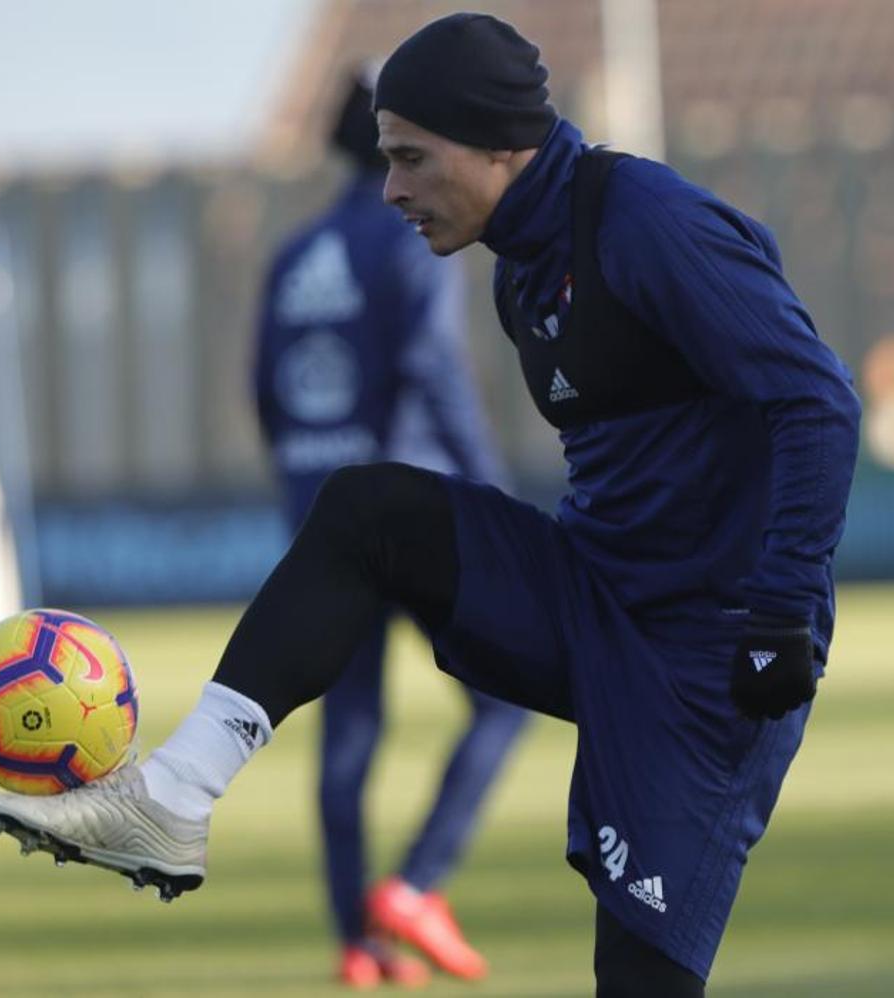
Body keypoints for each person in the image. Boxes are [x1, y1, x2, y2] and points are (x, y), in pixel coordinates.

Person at [0, 13, 862, 995]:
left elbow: (818, 400)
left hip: (713, 658)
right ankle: (174, 792)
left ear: (498, 143)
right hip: (597, 599)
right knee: (367, 512)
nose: (391, 187)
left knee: (640, 982)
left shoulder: (646, 220)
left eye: (411, 158)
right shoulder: (522, 268)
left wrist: (782, 609)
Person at [250, 68, 528, 987]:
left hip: (320, 518)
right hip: (409, 513)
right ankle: (414, 884)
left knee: (350, 734)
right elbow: (434, 367)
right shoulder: (409, 238)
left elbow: (265, 393)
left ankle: (354, 941)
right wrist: (493, 492)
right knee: (504, 700)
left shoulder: (295, 255)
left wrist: (306, 486)